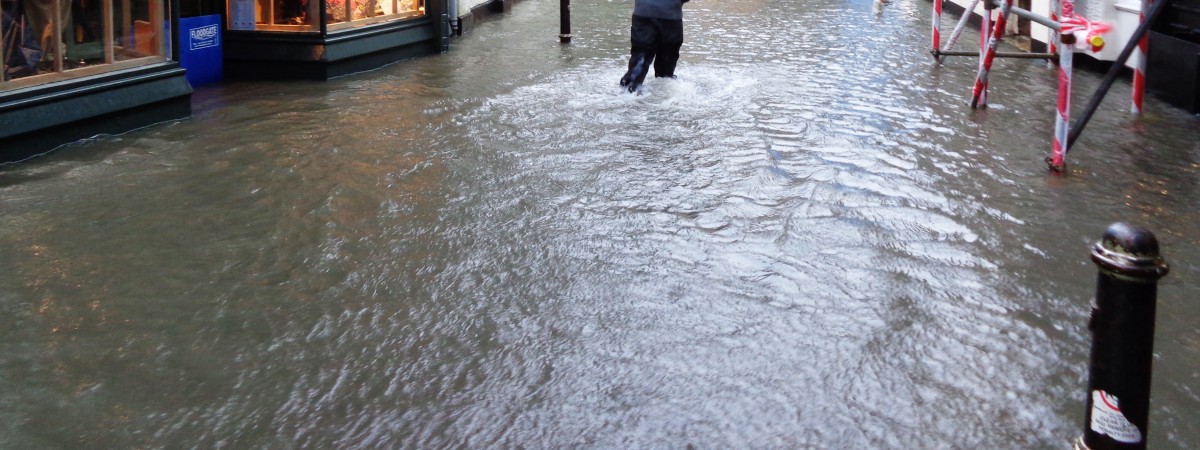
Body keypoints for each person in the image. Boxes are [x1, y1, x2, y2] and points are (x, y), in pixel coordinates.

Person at [618, 0, 687, 94]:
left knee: (640, 57)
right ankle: (663, 92)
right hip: (670, 14)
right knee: (666, 66)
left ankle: (629, 87)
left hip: (642, 12)